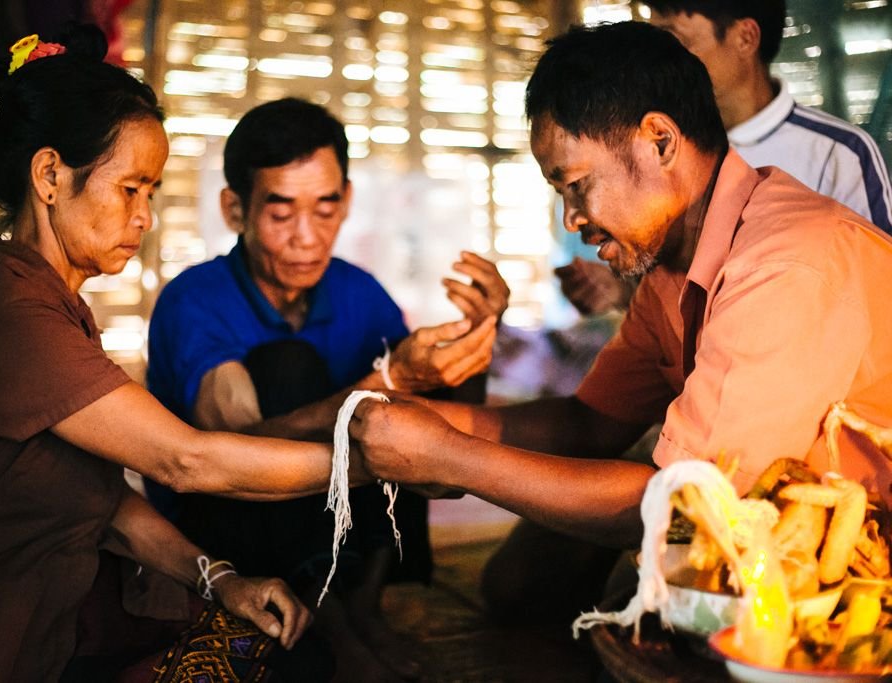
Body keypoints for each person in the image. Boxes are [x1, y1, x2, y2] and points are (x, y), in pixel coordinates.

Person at [349, 18, 892, 619]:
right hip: (735, 504)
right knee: (521, 586)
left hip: (859, 539)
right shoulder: (669, 262)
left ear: (659, 141)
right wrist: (433, 422)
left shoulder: (786, 263)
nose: (571, 219)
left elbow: (692, 507)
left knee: (647, 611)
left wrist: (451, 458)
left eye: (576, 185)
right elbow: (590, 424)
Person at [0, 27, 355, 683]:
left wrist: (220, 578)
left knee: (278, 636)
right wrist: (368, 462)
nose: (144, 215)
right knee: (289, 661)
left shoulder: (46, 303)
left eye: (152, 192)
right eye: (130, 188)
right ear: (51, 176)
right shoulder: (12, 317)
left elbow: (104, 500)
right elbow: (186, 459)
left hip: (52, 642)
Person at [145, 97, 506, 682]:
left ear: (348, 202)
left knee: (406, 415)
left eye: (326, 208)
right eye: (281, 213)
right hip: (222, 539)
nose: (307, 239)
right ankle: (332, 618)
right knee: (297, 369)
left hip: (344, 544)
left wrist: (478, 342)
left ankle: (359, 607)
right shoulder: (196, 301)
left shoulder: (358, 294)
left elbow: (452, 429)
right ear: (235, 208)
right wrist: (381, 385)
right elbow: (231, 450)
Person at [558, 0, 892, 316]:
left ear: (745, 37)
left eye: (676, 42)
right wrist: (624, 293)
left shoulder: (837, 154)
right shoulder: (654, 151)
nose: (659, 60)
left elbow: (873, 295)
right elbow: (676, 297)